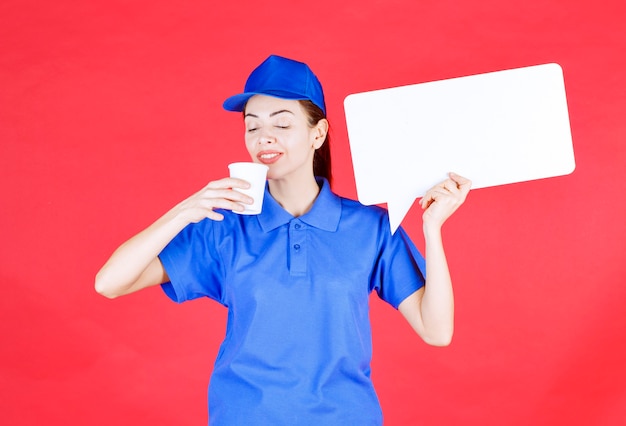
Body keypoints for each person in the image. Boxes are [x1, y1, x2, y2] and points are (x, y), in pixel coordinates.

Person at [95, 54, 471, 425]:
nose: (264, 137)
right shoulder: (223, 225)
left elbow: (436, 330)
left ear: (318, 133)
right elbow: (110, 283)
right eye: (252, 126)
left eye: (282, 124)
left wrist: (432, 228)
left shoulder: (370, 227)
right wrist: (183, 211)